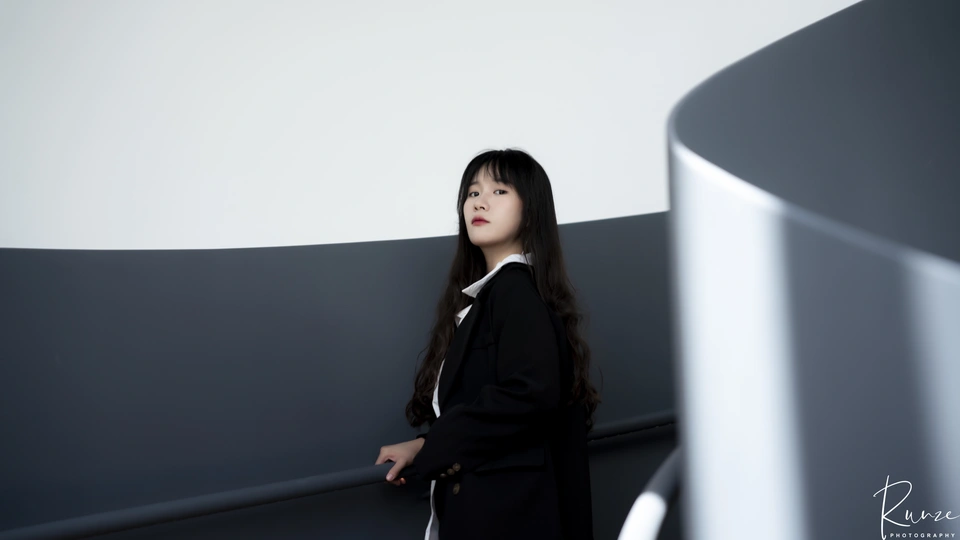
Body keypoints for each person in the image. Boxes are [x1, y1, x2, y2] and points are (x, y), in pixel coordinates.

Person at [375, 148, 601, 540]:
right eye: (472, 192)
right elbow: (494, 396)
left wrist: (434, 449)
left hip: (510, 516)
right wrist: (424, 444)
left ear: (530, 210)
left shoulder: (514, 290)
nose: (479, 202)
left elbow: (529, 393)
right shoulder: (499, 293)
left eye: (499, 191)